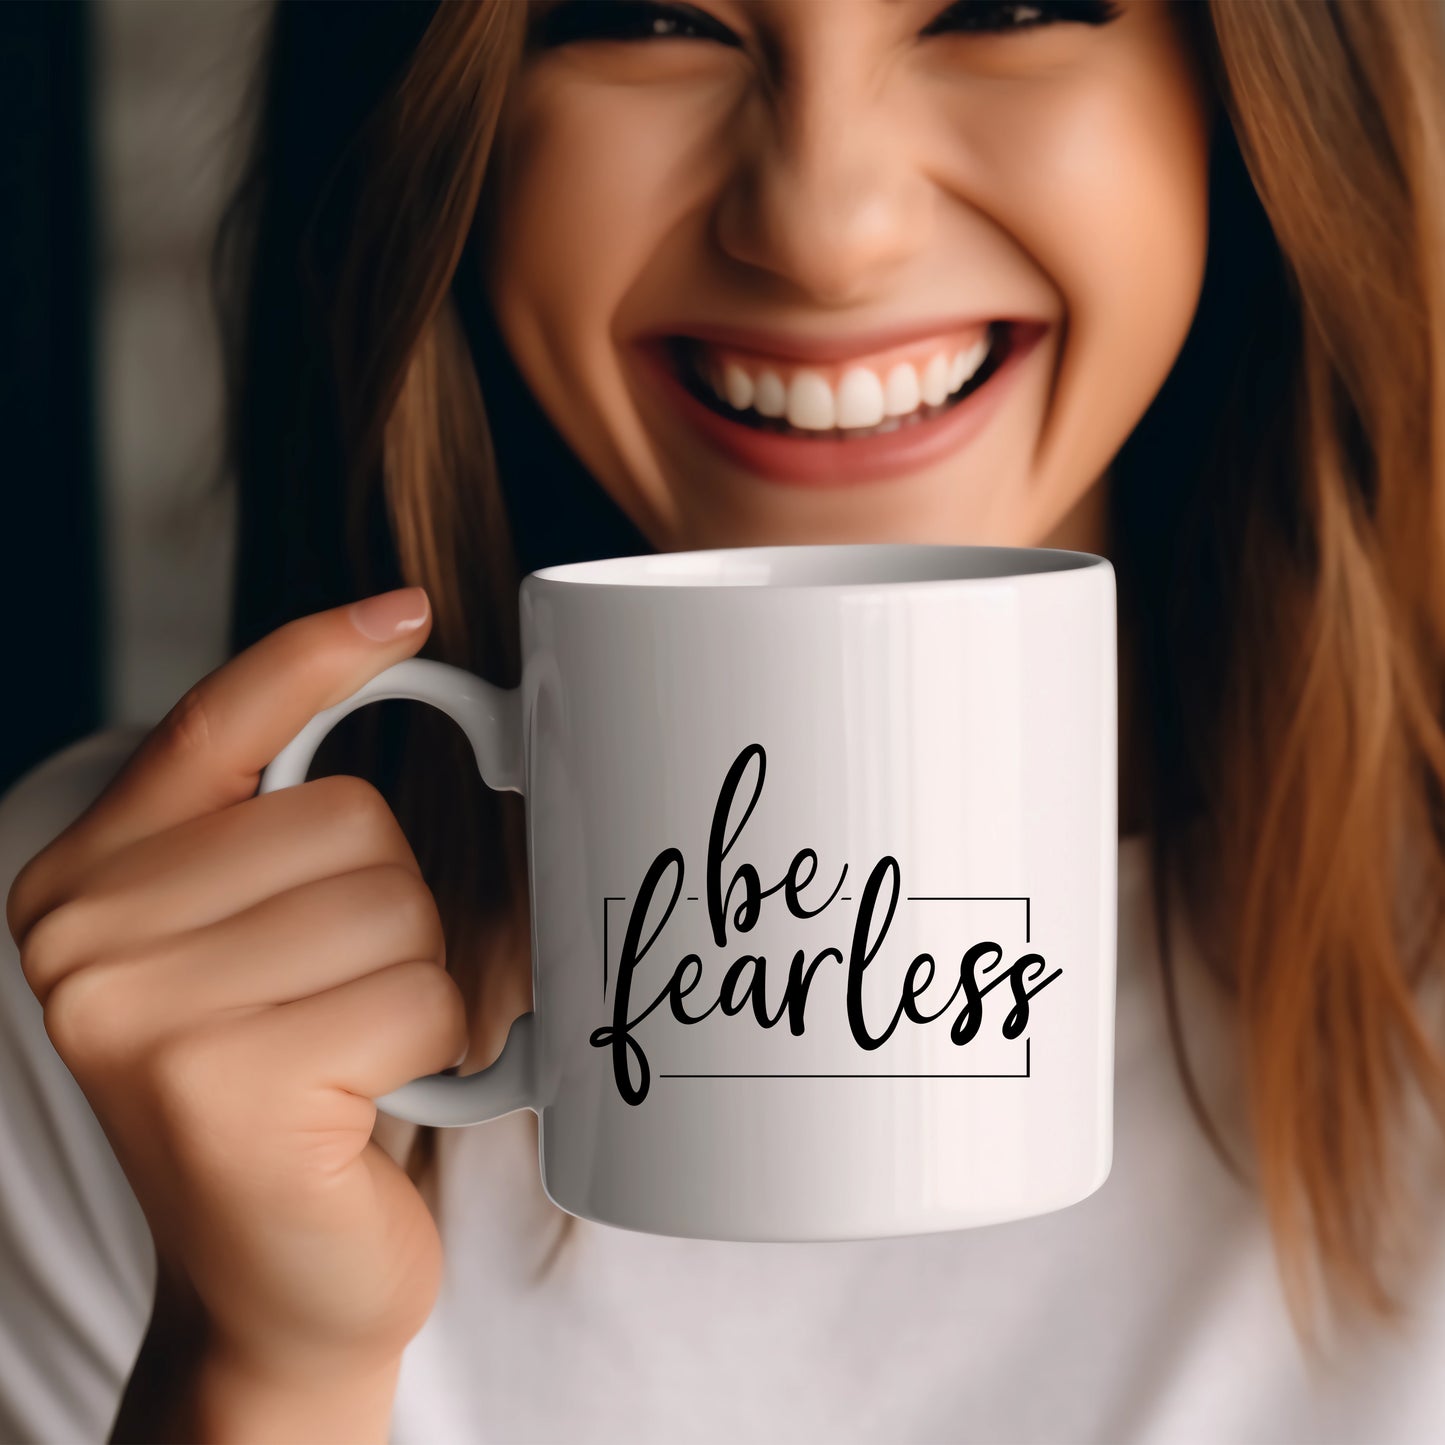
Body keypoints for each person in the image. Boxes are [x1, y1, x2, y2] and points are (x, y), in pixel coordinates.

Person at [5, 0, 1445, 1440]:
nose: (826, 227)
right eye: (642, 16)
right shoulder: (111, 996)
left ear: (1245, 95)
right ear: (447, 126)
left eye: (1001, 7)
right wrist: (260, 1370)